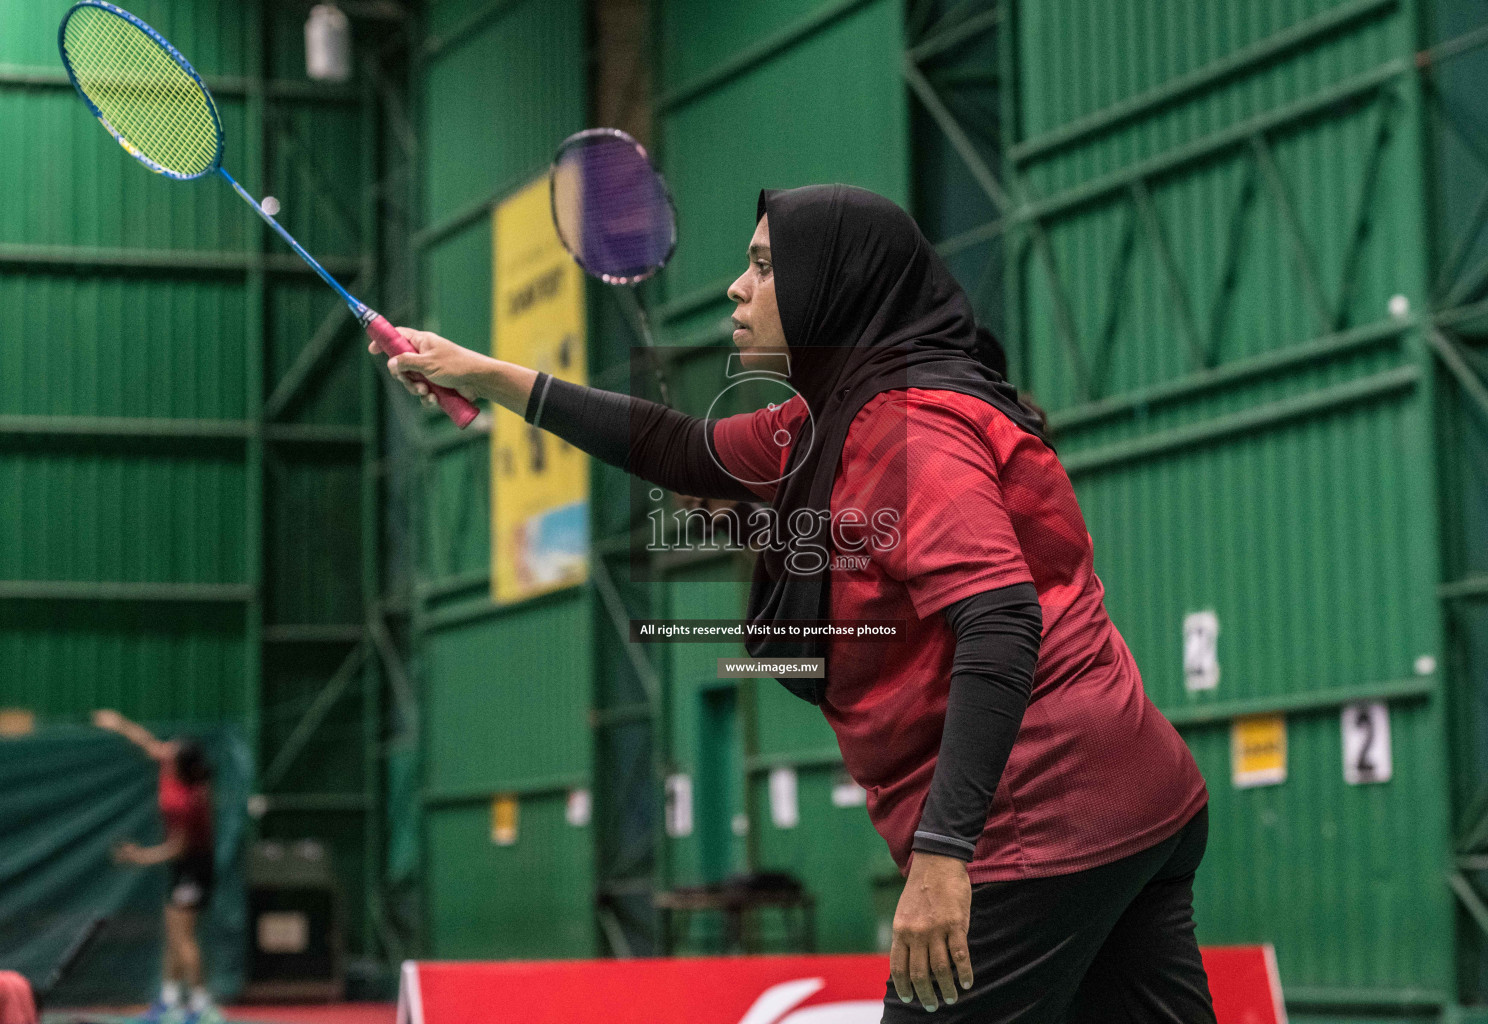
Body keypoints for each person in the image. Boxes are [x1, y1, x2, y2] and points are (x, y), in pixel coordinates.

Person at [376, 184, 1213, 1023]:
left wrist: (943, 855)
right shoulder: (832, 424)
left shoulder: (904, 423)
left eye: (766, 267)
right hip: (1138, 799)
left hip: (1039, 824)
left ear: (834, 286)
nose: (738, 287)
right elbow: (680, 446)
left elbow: (1000, 620)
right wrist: (480, 373)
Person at [92, 711, 220, 1024]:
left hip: (194, 867)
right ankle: (169, 1001)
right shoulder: (171, 766)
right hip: (183, 867)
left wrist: (138, 856)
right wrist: (118, 723)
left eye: (172, 749)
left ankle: (203, 1007)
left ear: (180, 763)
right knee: (174, 933)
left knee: (184, 937)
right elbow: (148, 742)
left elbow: (177, 848)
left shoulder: (184, 802)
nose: (166, 748)